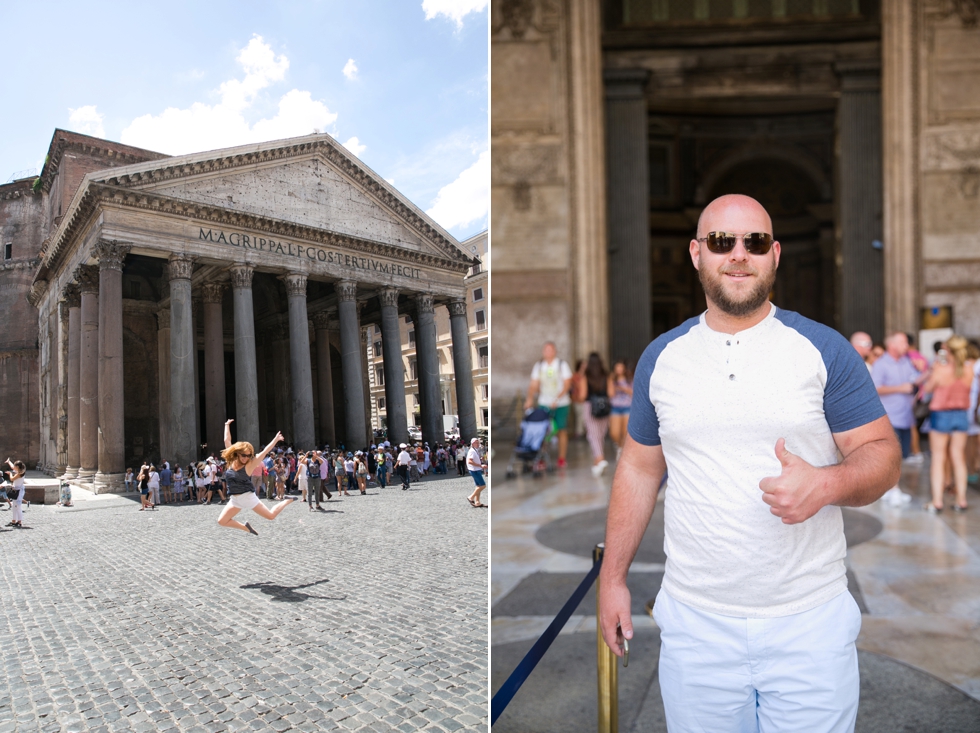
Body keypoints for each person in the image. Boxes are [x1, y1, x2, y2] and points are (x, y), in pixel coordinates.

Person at [598, 194, 901, 733]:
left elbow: (883, 455)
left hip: (809, 619)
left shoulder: (824, 348)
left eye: (754, 242)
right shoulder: (661, 358)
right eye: (721, 242)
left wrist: (829, 483)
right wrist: (612, 579)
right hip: (696, 620)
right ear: (696, 253)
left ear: (775, 254)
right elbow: (639, 470)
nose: (738, 254)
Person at [922, 335, 974, 513]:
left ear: (949, 351)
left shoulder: (941, 369)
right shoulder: (969, 370)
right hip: (961, 415)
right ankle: (962, 500)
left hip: (941, 414)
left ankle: (937, 501)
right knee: (958, 457)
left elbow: (927, 389)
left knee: (938, 457)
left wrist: (934, 369)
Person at [871, 332, 923, 508]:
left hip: (905, 415)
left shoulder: (906, 361)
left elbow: (914, 381)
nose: (906, 346)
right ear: (892, 345)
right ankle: (893, 489)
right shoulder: (881, 364)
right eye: (903, 342)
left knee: (901, 455)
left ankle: (889, 489)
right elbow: (876, 388)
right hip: (890, 416)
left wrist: (926, 370)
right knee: (892, 455)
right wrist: (899, 388)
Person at [217, 430, 294, 535]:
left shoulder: (250, 465)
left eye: (248, 455)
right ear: (238, 453)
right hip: (235, 499)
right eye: (243, 455)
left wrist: (276, 439)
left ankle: (286, 501)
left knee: (271, 516)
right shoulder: (231, 461)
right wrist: (226, 425)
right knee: (222, 521)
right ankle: (246, 528)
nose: (246, 458)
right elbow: (227, 440)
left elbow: (265, 451)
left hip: (248, 497)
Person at [525, 342, 573, 468]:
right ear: (543, 352)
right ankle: (542, 457)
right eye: (546, 350)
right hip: (544, 402)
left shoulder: (562, 365)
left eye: (550, 350)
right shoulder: (539, 365)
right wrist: (529, 398)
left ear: (555, 351)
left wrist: (557, 399)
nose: (548, 352)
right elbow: (534, 383)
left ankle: (562, 458)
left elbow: (567, 384)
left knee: (561, 430)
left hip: (561, 403)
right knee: (542, 430)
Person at [582, 352, 611, 477]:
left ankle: (600, 458)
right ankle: (597, 463)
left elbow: (583, 395)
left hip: (590, 406)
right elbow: (611, 393)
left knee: (593, 435)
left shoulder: (586, 376)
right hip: (604, 406)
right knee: (600, 435)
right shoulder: (606, 375)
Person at [607, 360, 633, 456]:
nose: (619, 370)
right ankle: (621, 447)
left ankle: (623, 452)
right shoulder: (612, 379)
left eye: (621, 367)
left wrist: (622, 388)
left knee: (625, 432)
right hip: (615, 407)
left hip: (627, 407)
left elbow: (633, 392)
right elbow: (611, 394)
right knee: (614, 433)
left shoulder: (629, 379)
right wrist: (612, 381)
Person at [5, 459, 26, 528]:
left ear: (18, 467)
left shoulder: (20, 473)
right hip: (15, 490)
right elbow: (12, 467)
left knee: (18, 506)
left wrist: (10, 474)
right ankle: (14, 520)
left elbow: (12, 479)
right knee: (14, 506)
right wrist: (8, 462)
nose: (13, 467)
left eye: (15, 466)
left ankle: (19, 521)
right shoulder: (18, 470)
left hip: (19, 491)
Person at [466, 438, 487, 508]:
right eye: (476, 443)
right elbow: (470, 461)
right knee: (483, 485)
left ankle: (477, 502)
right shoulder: (472, 451)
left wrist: (479, 461)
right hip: (475, 470)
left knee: (478, 486)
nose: (478, 444)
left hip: (475, 469)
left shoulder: (475, 450)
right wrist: (480, 465)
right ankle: (471, 497)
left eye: (478, 443)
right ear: (472, 444)